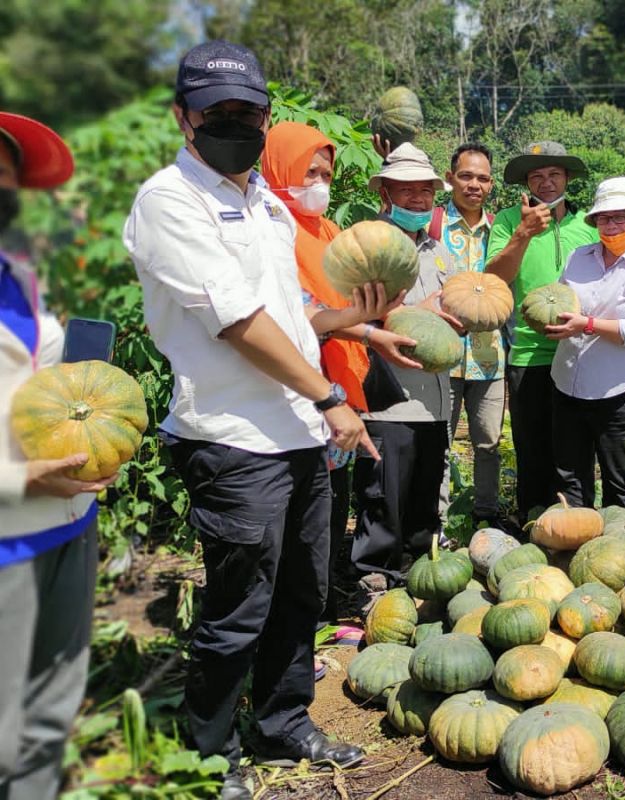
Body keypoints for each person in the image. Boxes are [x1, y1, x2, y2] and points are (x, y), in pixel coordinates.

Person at [124, 41, 371, 797]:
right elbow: (238, 322)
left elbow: (289, 313)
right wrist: (331, 397)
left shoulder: (263, 200)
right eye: (216, 112)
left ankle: (282, 722)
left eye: (249, 112)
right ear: (183, 116)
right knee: (239, 611)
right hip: (235, 443)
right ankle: (209, 754)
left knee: (300, 596)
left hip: (297, 434)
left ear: (267, 117)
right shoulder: (171, 201)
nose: (235, 122)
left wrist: (357, 325)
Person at [260, 121, 419, 629]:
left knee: (330, 507)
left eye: (326, 171)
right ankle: (299, 621)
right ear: (279, 166)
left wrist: (372, 334)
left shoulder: (326, 231)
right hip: (296, 391)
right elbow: (289, 319)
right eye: (310, 170)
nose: (320, 182)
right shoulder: (269, 231)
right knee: (300, 512)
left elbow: (334, 314)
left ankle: (321, 610)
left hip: (338, 387)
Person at [0, 112, 107, 800]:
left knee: (45, 717)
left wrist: (96, 435)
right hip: (7, 531)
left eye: (5, 176)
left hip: (67, 518)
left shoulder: (19, 274)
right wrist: (17, 477)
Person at [353, 143, 462, 591]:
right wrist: (426, 311)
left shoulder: (438, 249)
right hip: (387, 393)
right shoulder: (369, 244)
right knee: (384, 491)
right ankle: (375, 574)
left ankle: (420, 565)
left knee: (424, 485)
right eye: (407, 190)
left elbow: (453, 301)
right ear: (386, 193)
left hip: (434, 394)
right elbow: (354, 312)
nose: (419, 199)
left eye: (426, 191)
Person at [486, 141, 598, 522]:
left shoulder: (589, 226)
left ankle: (578, 526)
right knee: (532, 451)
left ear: (567, 178)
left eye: (554, 174)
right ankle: (534, 527)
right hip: (527, 353)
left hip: (581, 354)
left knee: (577, 452)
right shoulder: (506, 221)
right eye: (537, 176)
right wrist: (523, 233)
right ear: (527, 184)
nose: (547, 183)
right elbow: (494, 279)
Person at [545, 177, 625, 510]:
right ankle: (574, 542)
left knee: (617, 476)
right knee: (569, 472)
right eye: (605, 218)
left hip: (617, 390)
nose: (612, 225)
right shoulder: (578, 258)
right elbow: (562, 300)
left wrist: (587, 324)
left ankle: (621, 545)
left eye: (621, 217)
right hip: (567, 381)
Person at [429, 143, 506, 530]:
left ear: (491, 184)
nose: (474, 184)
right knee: (440, 447)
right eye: (466, 176)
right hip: (440, 357)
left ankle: (486, 518)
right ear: (450, 178)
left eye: (482, 178)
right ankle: (438, 524)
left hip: (489, 357)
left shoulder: (501, 229)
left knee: (488, 444)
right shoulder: (433, 223)